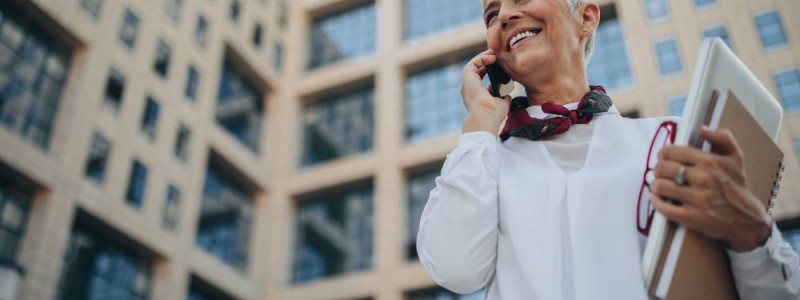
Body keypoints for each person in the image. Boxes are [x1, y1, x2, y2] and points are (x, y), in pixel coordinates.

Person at [415, 0, 800, 299]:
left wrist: (750, 230)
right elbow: (455, 268)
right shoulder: (482, 165)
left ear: (586, 17)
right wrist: (479, 124)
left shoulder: (674, 141)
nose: (504, 16)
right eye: (491, 14)